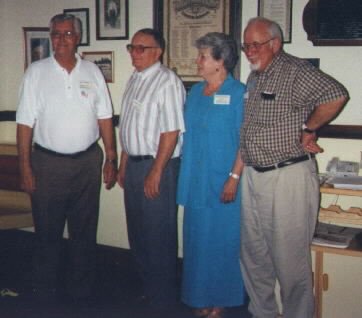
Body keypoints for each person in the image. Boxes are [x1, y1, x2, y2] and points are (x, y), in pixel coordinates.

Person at [239, 17, 349, 318]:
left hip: (286, 176)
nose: (249, 51)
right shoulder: (255, 76)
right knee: (254, 256)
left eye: (256, 45)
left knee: (291, 264)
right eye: (246, 45)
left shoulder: (295, 71)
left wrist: (308, 126)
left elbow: (336, 94)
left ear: (275, 43)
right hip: (254, 174)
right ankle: (262, 314)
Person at [16, 13, 117, 302]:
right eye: (56, 34)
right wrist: (25, 166)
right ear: (51, 38)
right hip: (48, 165)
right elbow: (24, 122)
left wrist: (111, 157)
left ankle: (82, 294)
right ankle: (44, 295)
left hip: (87, 163)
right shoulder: (36, 72)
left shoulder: (92, 72)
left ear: (78, 38)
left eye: (67, 34)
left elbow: (105, 116)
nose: (61, 39)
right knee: (47, 233)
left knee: (84, 233)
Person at [177, 32, 246, 318]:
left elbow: (246, 140)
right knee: (196, 242)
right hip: (195, 178)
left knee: (221, 242)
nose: (198, 61)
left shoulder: (239, 93)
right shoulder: (194, 93)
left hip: (223, 181)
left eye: (203, 56)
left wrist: (234, 176)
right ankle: (199, 297)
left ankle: (220, 301)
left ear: (220, 62)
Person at [117, 28, 185, 308]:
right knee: (138, 234)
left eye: (141, 48)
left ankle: (163, 298)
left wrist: (156, 171)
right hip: (134, 166)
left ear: (158, 52)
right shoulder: (135, 78)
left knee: (158, 235)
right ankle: (149, 288)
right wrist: (123, 165)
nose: (134, 53)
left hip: (159, 167)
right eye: (132, 47)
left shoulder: (166, 81)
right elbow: (128, 127)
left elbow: (170, 132)